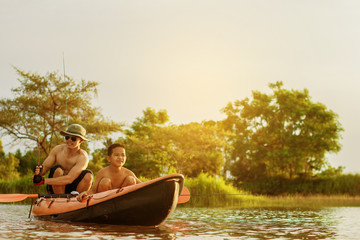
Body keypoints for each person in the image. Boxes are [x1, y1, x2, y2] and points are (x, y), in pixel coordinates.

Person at [33, 124, 93, 194]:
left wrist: (43, 181)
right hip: (55, 187)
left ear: (81, 141)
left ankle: (79, 199)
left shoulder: (83, 157)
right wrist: (39, 171)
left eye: (73, 138)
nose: (69, 140)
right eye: (67, 137)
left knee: (89, 175)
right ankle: (59, 198)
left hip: (73, 187)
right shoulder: (57, 149)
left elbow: (70, 179)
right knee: (57, 170)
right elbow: (45, 168)